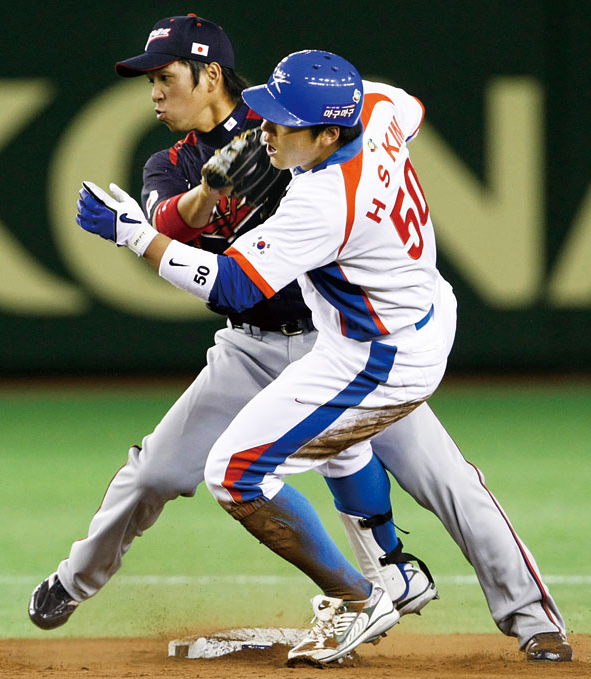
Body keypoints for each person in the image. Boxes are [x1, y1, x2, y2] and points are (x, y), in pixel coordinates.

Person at [74, 49, 573, 664]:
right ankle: (397, 576)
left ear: (328, 133)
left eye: (283, 123)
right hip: (399, 319)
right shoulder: (379, 109)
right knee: (348, 448)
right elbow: (405, 108)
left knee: (243, 471)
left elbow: (232, 285)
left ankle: (368, 596)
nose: (265, 131)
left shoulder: (326, 201)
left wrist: (134, 234)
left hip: (380, 355)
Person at [28, 14, 437, 648]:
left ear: (209, 73)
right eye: (151, 81)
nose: (155, 92)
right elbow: (172, 219)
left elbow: (363, 147)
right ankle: (75, 579)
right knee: (156, 472)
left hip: (335, 336)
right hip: (249, 344)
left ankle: (442, 593)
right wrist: (208, 190)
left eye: (165, 77)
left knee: (432, 477)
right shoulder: (173, 161)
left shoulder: (288, 126)